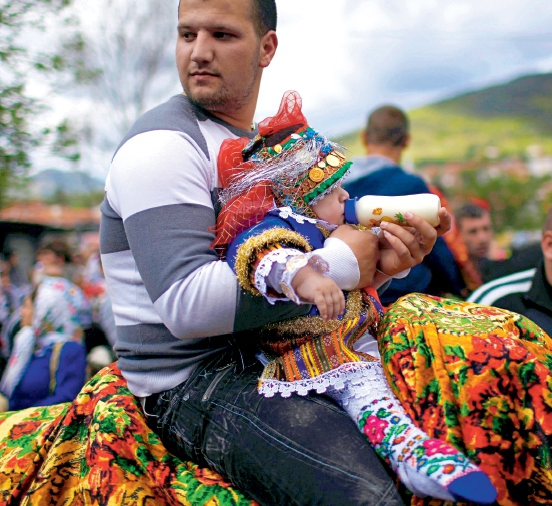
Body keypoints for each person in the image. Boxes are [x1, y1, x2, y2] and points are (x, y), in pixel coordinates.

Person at [100, 1, 450, 504]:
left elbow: (308, 257)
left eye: (222, 35)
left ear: (267, 48)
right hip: (196, 379)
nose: (199, 52)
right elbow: (184, 303)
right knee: (367, 497)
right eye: (187, 34)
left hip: (276, 347)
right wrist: (343, 264)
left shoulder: (262, 144)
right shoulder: (161, 145)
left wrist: (382, 269)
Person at [211, 91, 495, 504]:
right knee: (366, 389)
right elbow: (260, 257)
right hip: (318, 348)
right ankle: (412, 455)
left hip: (356, 334)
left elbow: (365, 271)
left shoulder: (328, 230)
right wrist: (306, 278)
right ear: (299, 197)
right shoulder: (285, 227)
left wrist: (401, 246)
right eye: (333, 190)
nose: (346, 197)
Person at [342, 105, 466, 304]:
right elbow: (437, 250)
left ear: (364, 137)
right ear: (407, 140)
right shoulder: (412, 185)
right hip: (406, 297)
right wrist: (460, 287)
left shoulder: (340, 187)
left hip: (354, 295)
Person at [0, 275, 89, 410]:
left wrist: (24, 416)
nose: (22, 312)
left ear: (44, 310)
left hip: (41, 426)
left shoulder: (69, 350)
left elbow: (66, 398)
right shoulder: (31, 344)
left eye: (27, 307)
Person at [467, 207, 552, 335]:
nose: (482, 238)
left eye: (486, 229)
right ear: (549, 245)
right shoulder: (491, 305)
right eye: (473, 231)